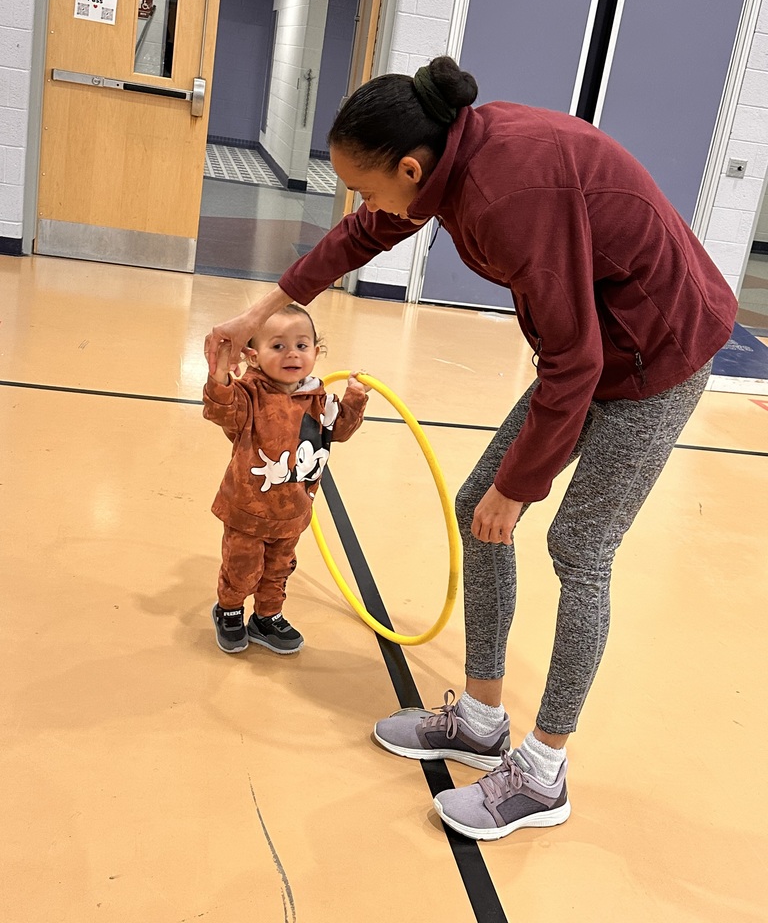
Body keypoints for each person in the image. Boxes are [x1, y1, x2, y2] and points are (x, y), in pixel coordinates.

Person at [204, 56, 736, 839]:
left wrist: (519, 486)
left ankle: (544, 773)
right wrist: (266, 309)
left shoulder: (506, 192)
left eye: (369, 183)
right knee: (476, 510)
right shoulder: (454, 158)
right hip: (599, 346)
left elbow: (576, 361)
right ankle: (483, 721)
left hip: (660, 354)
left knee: (578, 546)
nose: (365, 201)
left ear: (412, 167)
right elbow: (368, 231)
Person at [203, 304, 368, 655]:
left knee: (279, 568)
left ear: (316, 351)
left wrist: (355, 397)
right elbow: (221, 408)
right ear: (253, 356)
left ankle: (267, 616)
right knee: (242, 567)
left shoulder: (319, 397)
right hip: (248, 510)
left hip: (293, 509)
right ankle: (229, 610)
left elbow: (338, 431)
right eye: (277, 346)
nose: (292, 353)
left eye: (302, 345)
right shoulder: (249, 394)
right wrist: (218, 372)